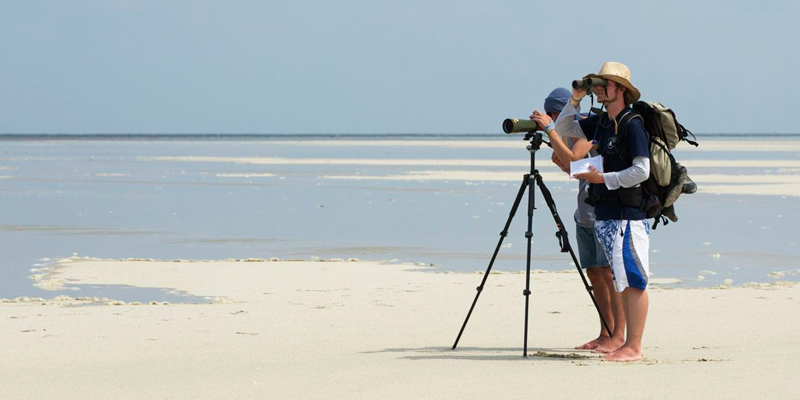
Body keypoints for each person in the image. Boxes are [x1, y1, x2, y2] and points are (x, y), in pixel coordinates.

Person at [551, 62, 651, 362]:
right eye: (598, 83)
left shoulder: (632, 124)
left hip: (627, 216)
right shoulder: (604, 122)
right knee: (621, 279)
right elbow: (564, 127)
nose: (599, 88)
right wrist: (576, 98)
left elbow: (642, 170)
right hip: (606, 215)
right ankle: (626, 343)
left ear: (621, 89)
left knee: (633, 279)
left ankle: (634, 346)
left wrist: (603, 179)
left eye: (604, 84)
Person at [530, 89, 625, 354]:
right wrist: (560, 156)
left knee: (608, 274)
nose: (550, 119)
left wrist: (551, 133)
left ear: (558, 112)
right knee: (595, 273)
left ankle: (618, 335)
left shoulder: (586, 126)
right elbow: (577, 171)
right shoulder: (569, 135)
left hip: (603, 213)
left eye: (551, 115)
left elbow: (574, 158)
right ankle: (604, 332)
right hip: (584, 212)